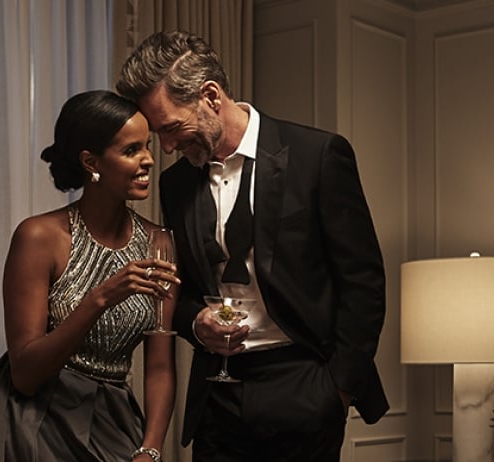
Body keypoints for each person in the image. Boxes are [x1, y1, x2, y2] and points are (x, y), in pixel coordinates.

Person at [115, 31, 389, 461]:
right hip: (217, 397)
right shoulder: (176, 182)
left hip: (306, 383)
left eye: (171, 128)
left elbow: (363, 282)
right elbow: (180, 291)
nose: (166, 147)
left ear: (210, 96)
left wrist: (337, 390)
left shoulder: (317, 155)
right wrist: (196, 323)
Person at [0, 90, 181, 462]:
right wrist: (101, 298)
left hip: (113, 417)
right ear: (90, 161)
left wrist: (151, 449)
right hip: (32, 418)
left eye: (147, 146)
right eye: (131, 150)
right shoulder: (39, 237)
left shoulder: (159, 243)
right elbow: (25, 374)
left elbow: (160, 366)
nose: (148, 159)